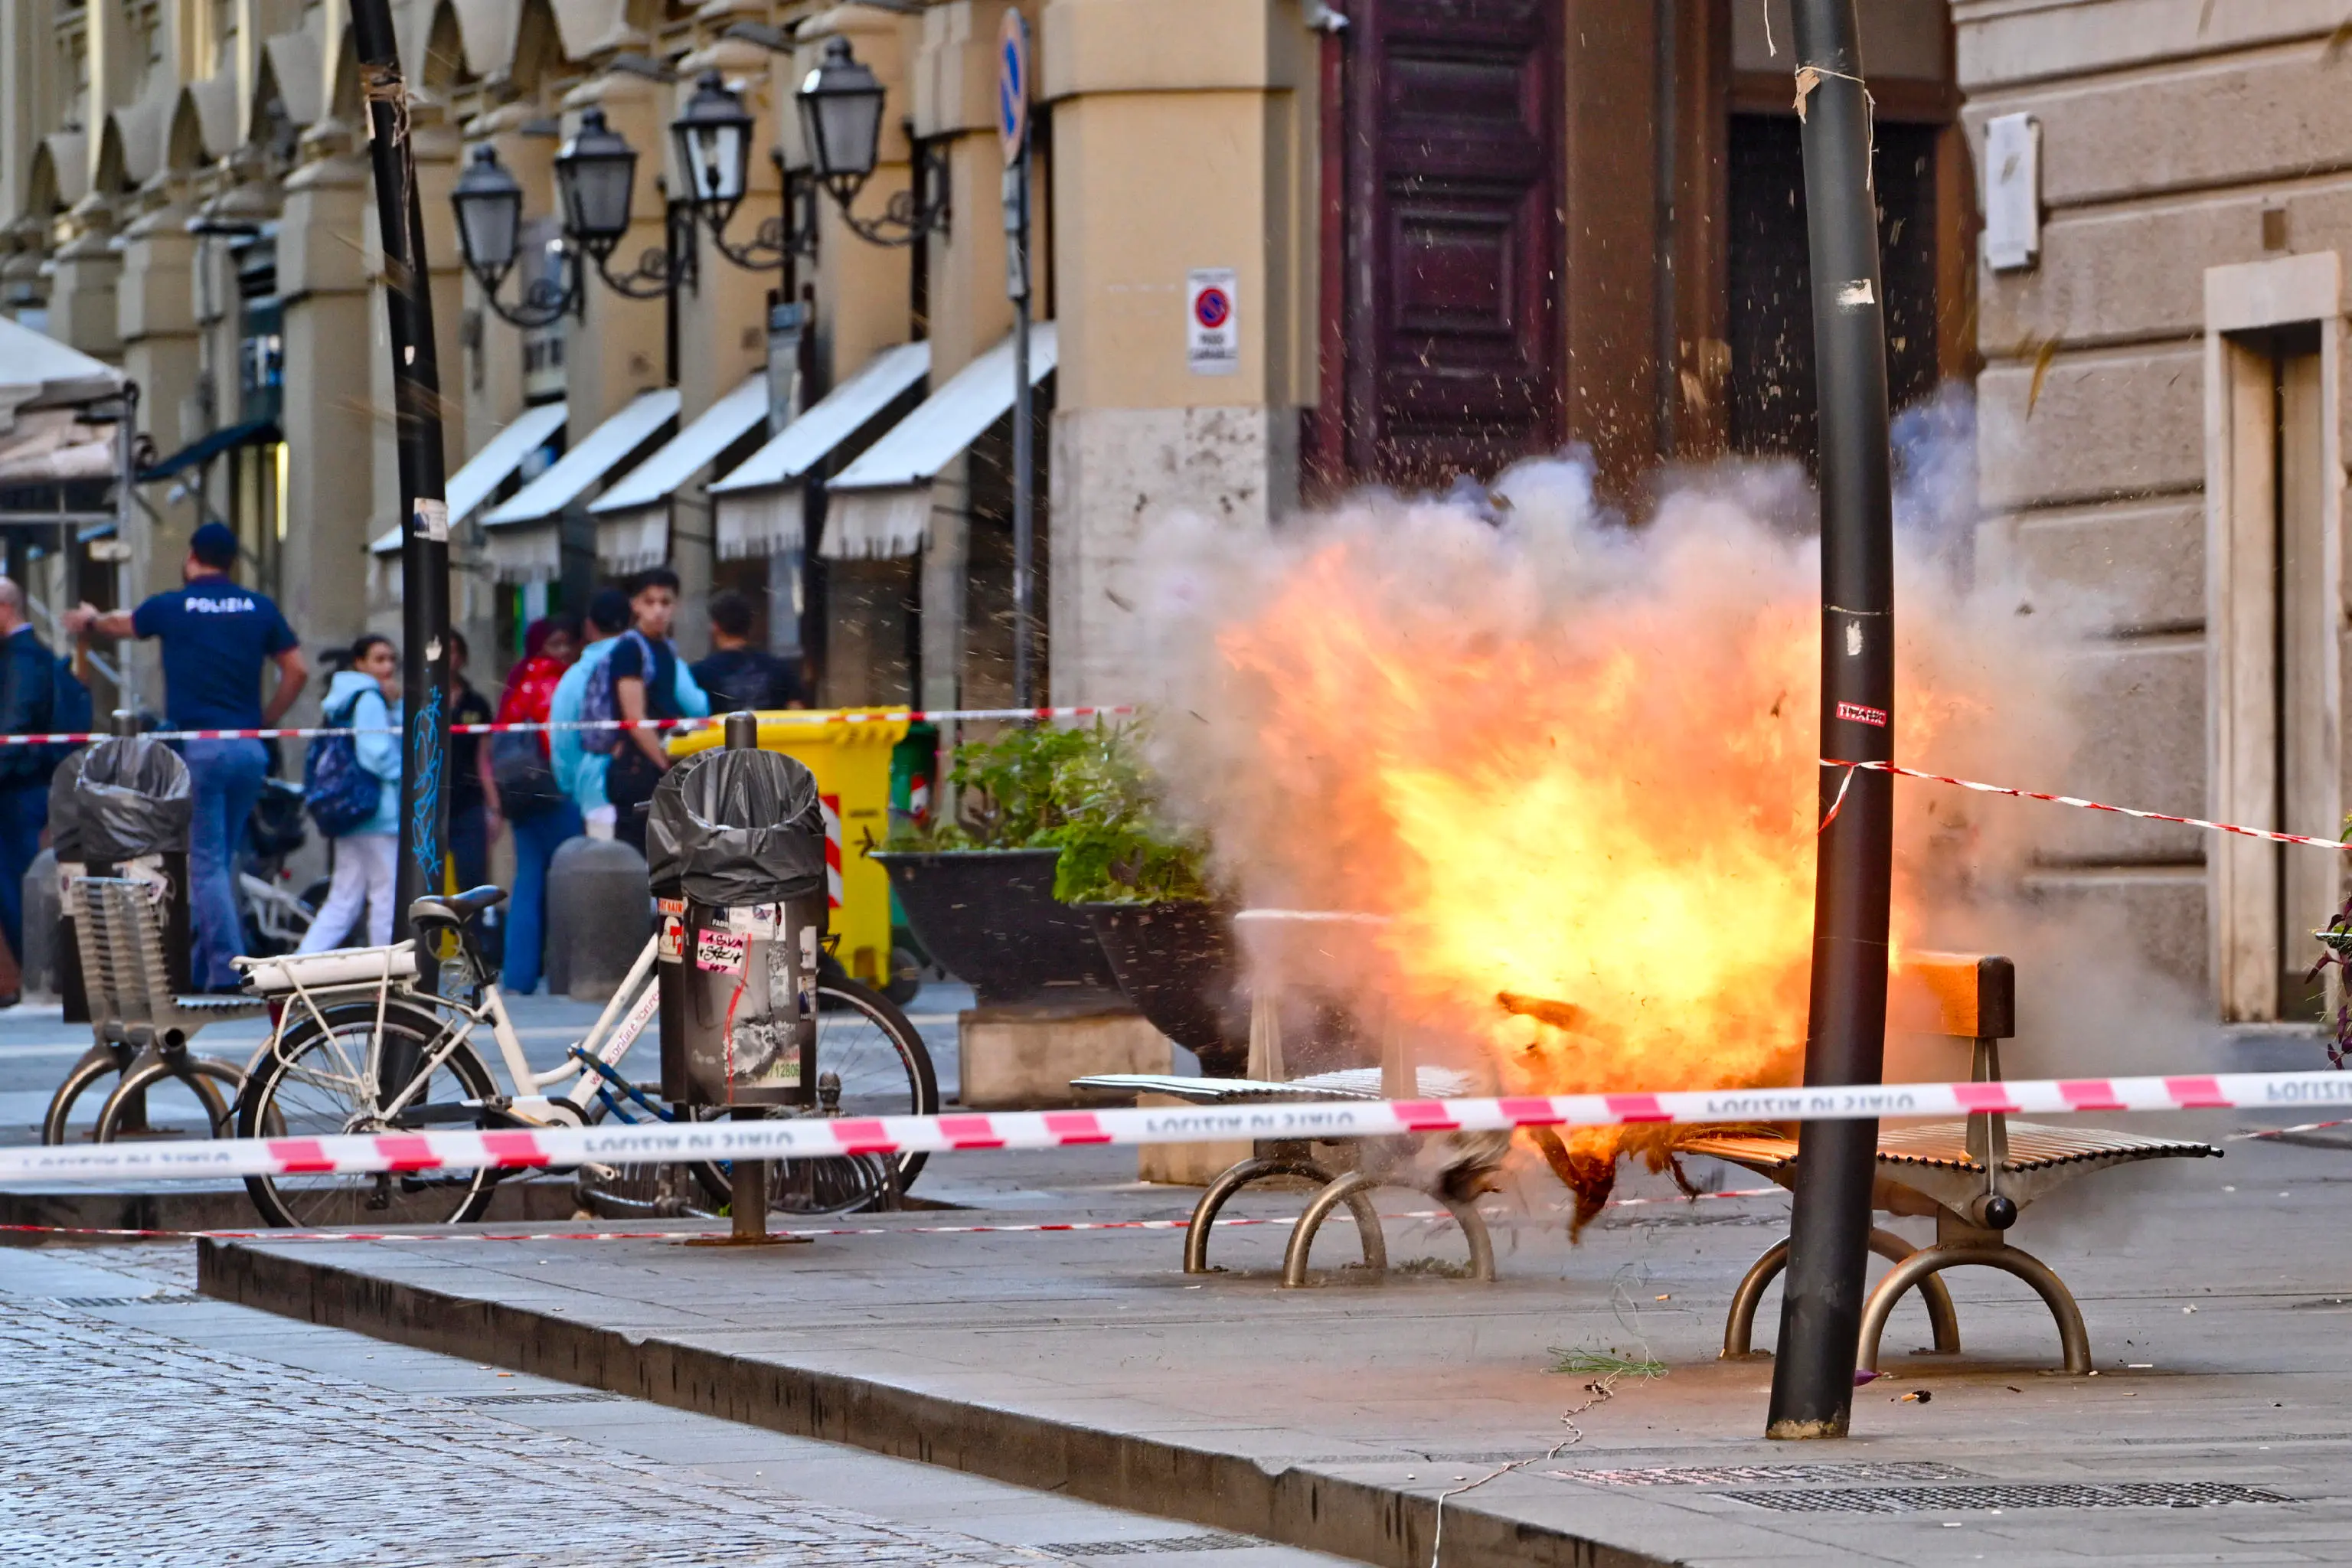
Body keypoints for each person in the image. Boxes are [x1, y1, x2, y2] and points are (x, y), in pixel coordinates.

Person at [64, 521, 306, 989]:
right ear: (233, 561)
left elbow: (122, 624)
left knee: (207, 861)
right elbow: (296, 669)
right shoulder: (259, 607)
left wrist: (90, 621)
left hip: (201, 751)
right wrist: (265, 720)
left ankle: (226, 969)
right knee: (226, 857)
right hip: (249, 751)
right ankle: (199, 963)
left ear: (192, 556)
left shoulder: (173, 606)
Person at [488, 614, 580, 994]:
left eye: (564, 644)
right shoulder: (556, 680)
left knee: (526, 883)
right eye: (554, 645)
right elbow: (554, 742)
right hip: (554, 792)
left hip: (520, 798)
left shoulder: (516, 679)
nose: (561, 652)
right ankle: (564, 972)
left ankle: (519, 975)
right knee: (571, 881)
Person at [295, 635, 402, 953]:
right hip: (377, 811)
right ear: (361, 663)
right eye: (379, 659)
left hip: (350, 812)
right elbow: (376, 751)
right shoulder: (368, 698)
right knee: (386, 895)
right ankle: (387, 969)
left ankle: (302, 964)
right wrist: (408, 775)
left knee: (344, 897)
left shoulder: (343, 697)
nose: (388, 666)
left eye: (391, 659)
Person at [603, 567, 709, 853]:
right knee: (640, 860)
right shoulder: (630, 649)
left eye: (665, 602)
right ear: (635, 604)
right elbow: (635, 719)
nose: (658, 610)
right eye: (649, 602)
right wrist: (667, 765)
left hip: (658, 769)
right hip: (638, 771)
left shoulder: (664, 647)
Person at [0, 577, 62, 999]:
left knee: (17, 882)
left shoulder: (22, 659)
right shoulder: (27, 655)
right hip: (20, 784)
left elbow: (16, 725)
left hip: (17, 789)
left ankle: (35, 977)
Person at [550, 590, 632, 841]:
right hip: (652, 791)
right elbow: (697, 706)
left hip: (595, 793)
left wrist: (573, 786)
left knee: (607, 876)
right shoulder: (652, 661)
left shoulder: (574, 678)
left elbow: (562, 741)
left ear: (589, 627)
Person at [691, 589, 804, 714]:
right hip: (768, 733)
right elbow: (797, 715)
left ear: (715, 627)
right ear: (750, 625)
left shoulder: (699, 674)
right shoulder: (779, 669)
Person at [443, 630, 495, 899]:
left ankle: (474, 938)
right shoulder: (418, 701)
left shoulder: (476, 704)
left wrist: (493, 808)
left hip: (469, 804)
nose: (447, 658)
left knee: (473, 880)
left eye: (453, 650)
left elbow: (483, 759)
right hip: (428, 806)